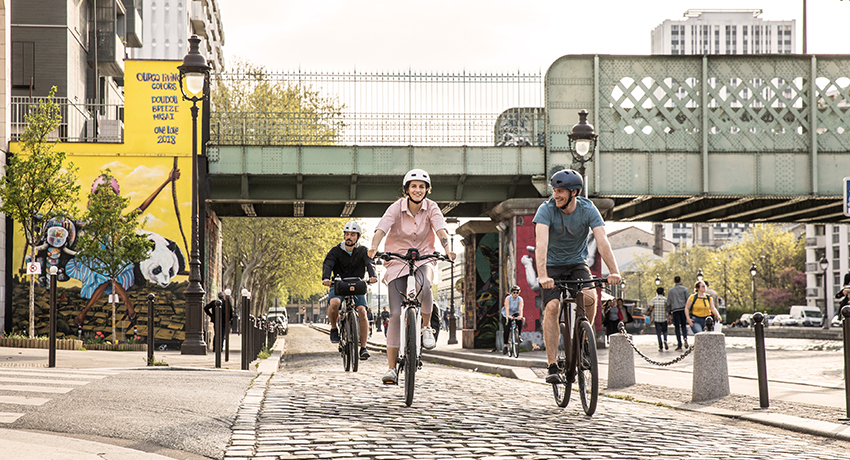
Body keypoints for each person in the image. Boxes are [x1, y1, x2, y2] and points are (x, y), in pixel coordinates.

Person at [368, 168, 456, 385]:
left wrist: (448, 248)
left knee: (425, 285)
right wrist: (373, 247)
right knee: (396, 314)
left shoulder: (432, 207)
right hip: (397, 259)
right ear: (407, 189)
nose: (418, 190)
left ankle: (426, 327)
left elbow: (441, 230)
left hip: (424, 256)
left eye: (422, 186)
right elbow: (382, 227)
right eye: (414, 186)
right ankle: (391, 369)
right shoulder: (396, 208)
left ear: (427, 190)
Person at [534, 169, 621, 384]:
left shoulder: (587, 208)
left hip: (576, 264)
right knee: (553, 307)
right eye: (554, 190)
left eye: (561, 191)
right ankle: (552, 365)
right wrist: (543, 275)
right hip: (552, 267)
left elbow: (602, 241)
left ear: (574, 192)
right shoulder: (546, 210)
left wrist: (614, 271)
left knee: (590, 297)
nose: (556, 195)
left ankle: (582, 342)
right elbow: (541, 245)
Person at [321, 221, 377, 361]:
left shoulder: (363, 251)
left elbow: (370, 263)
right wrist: (326, 278)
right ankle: (334, 328)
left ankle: (363, 347)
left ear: (357, 237)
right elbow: (328, 263)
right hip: (339, 284)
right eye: (347, 234)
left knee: (363, 312)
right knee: (334, 304)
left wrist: (373, 275)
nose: (349, 237)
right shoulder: (335, 251)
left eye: (352, 235)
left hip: (357, 285)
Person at [666, 276, 689, 351]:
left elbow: (668, 302)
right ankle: (685, 337)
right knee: (683, 325)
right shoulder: (684, 289)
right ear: (680, 280)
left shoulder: (671, 291)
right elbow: (688, 299)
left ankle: (679, 344)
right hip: (683, 309)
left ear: (674, 281)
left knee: (677, 327)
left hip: (675, 310)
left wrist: (669, 312)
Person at [502, 285, 525, 354]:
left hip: (515, 312)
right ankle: (505, 346)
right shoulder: (508, 298)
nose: (515, 294)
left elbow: (520, 308)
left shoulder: (520, 299)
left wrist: (520, 316)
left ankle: (519, 336)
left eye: (517, 293)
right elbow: (507, 308)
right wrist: (508, 315)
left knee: (519, 320)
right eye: (514, 292)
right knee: (506, 328)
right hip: (506, 313)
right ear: (511, 292)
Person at [647, 287, 669, 351]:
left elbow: (650, 308)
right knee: (665, 331)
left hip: (657, 319)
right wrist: (669, 316)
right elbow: (668, 308)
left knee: (658, 333)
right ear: (663, 292)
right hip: (664, 318)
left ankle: (661, 347)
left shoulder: (654, 299)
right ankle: (665, 340)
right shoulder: (665, 299)